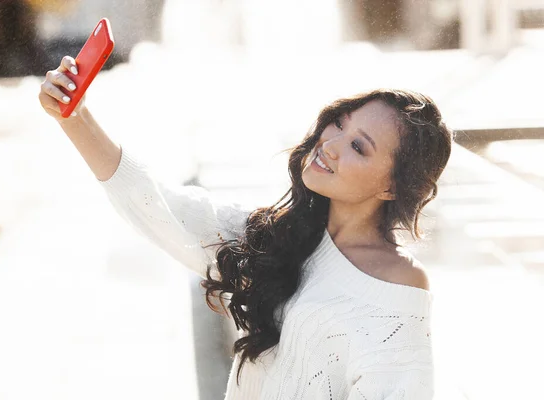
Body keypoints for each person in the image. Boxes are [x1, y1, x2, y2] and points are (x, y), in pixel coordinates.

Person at [39, 55, 453, 399]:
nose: (330, 144)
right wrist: (74, 117)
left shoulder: (398, 288)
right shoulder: (279, 237)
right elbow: (157, 205)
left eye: (358, 147)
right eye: (340, 124)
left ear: (391, 187)